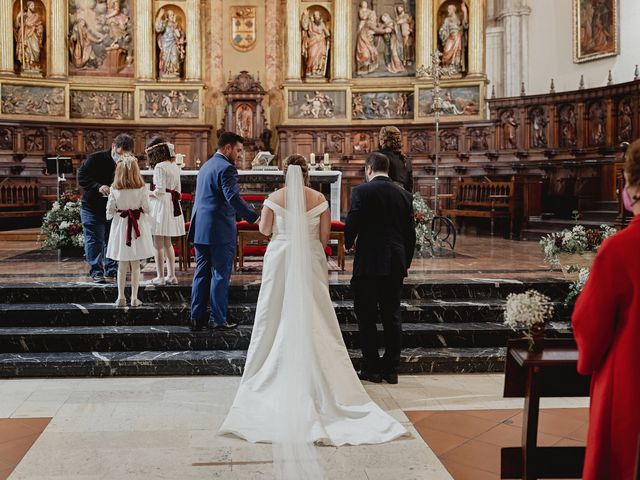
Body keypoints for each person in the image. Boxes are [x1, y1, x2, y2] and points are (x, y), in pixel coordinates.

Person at [219, 155, 407, 478]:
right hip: (308, 261)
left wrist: (281, 230)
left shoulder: (273, 199)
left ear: (284, 173)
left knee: (275, 317)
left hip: (280, 261)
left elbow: (264, 230)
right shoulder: (319, 198)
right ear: (306, 173)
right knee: (316, 318)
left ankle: (272, 371)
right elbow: (323, 240)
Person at [572, 139, 640, 480]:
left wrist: (588, 360)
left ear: (632, 187)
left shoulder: (622, 248)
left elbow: (589, 322)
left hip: (631, 379)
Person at [345, 152, 416, 384]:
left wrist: (347, 243)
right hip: (395, 263)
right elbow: (410, 235)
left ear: (368, 169)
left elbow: (353, 220)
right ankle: (391, 369)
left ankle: (371, 368)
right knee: (392, 315)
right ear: (387, 169)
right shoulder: (404, 195)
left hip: (368, 262)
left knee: (366, 316)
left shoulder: (361, 192)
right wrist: (405, 262)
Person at [188, 132, 258, 332]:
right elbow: (233, 198)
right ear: (227, 148)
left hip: (201, 227)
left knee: (201, 273)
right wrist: (254, 218)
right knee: (220, 273)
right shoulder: (227, 168)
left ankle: (196, 317)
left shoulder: (206, 165)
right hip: (218, 229)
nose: (238, 154)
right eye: (237, 150)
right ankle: (218, 318)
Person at [78, 133, 134, 283]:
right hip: (92, 207)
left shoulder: (128, 162)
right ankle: (96, 271)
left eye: (125, 155)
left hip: (115, 209)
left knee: (113, 240)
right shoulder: (95, 158)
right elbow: (82, 177)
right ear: (114, 147)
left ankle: (112, 269)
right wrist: (98, 186)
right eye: (119, 154)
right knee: (94, 240)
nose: (120, 158)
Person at [105, 155, 154, 307]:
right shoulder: (141, 188)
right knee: (135, 264)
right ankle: (134, 297)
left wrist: (117, 212)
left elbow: (109, 211)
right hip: (136, 227)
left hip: (121, 228)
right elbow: (147, 208)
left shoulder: (114, 189)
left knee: (122, 264)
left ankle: (120, 297)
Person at [146, 136, 185, 286]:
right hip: (171, 204)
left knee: (157, 243)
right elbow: (178, 191)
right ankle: (171, 275)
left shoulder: (159, 166)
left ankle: (160, 277)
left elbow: (159, 191)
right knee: (168, 243)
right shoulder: (174, 165)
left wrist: (147, 193)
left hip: (161, 205)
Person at [377, 126, 413, 192]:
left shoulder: (377, 156)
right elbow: (409, 188)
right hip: (401, 198)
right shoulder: (406, 159)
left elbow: (369, 183)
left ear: (382, 140)